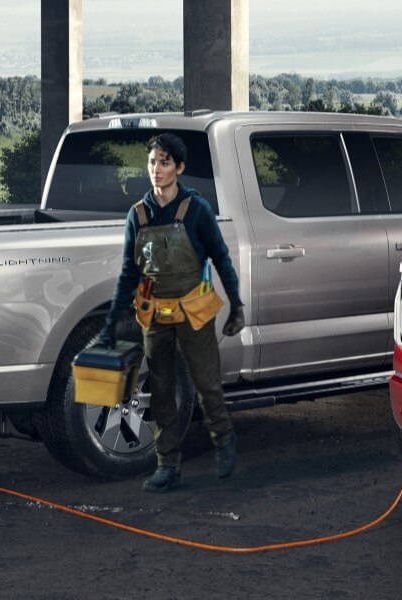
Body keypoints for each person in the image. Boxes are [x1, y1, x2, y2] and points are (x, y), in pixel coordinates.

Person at [104, 133, 246, 493]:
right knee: (162, 390)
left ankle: (224, 440)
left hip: (194, 311)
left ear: (179, 168)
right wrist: (112, 319)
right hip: (155, 315)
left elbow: (221, 258)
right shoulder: (138, 215)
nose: (157, 169)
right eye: (153, 161)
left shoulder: (196, 210)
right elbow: (128, 272)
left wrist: (236, 305)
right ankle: (167, 464)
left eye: (165, 162)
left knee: (206, 383)